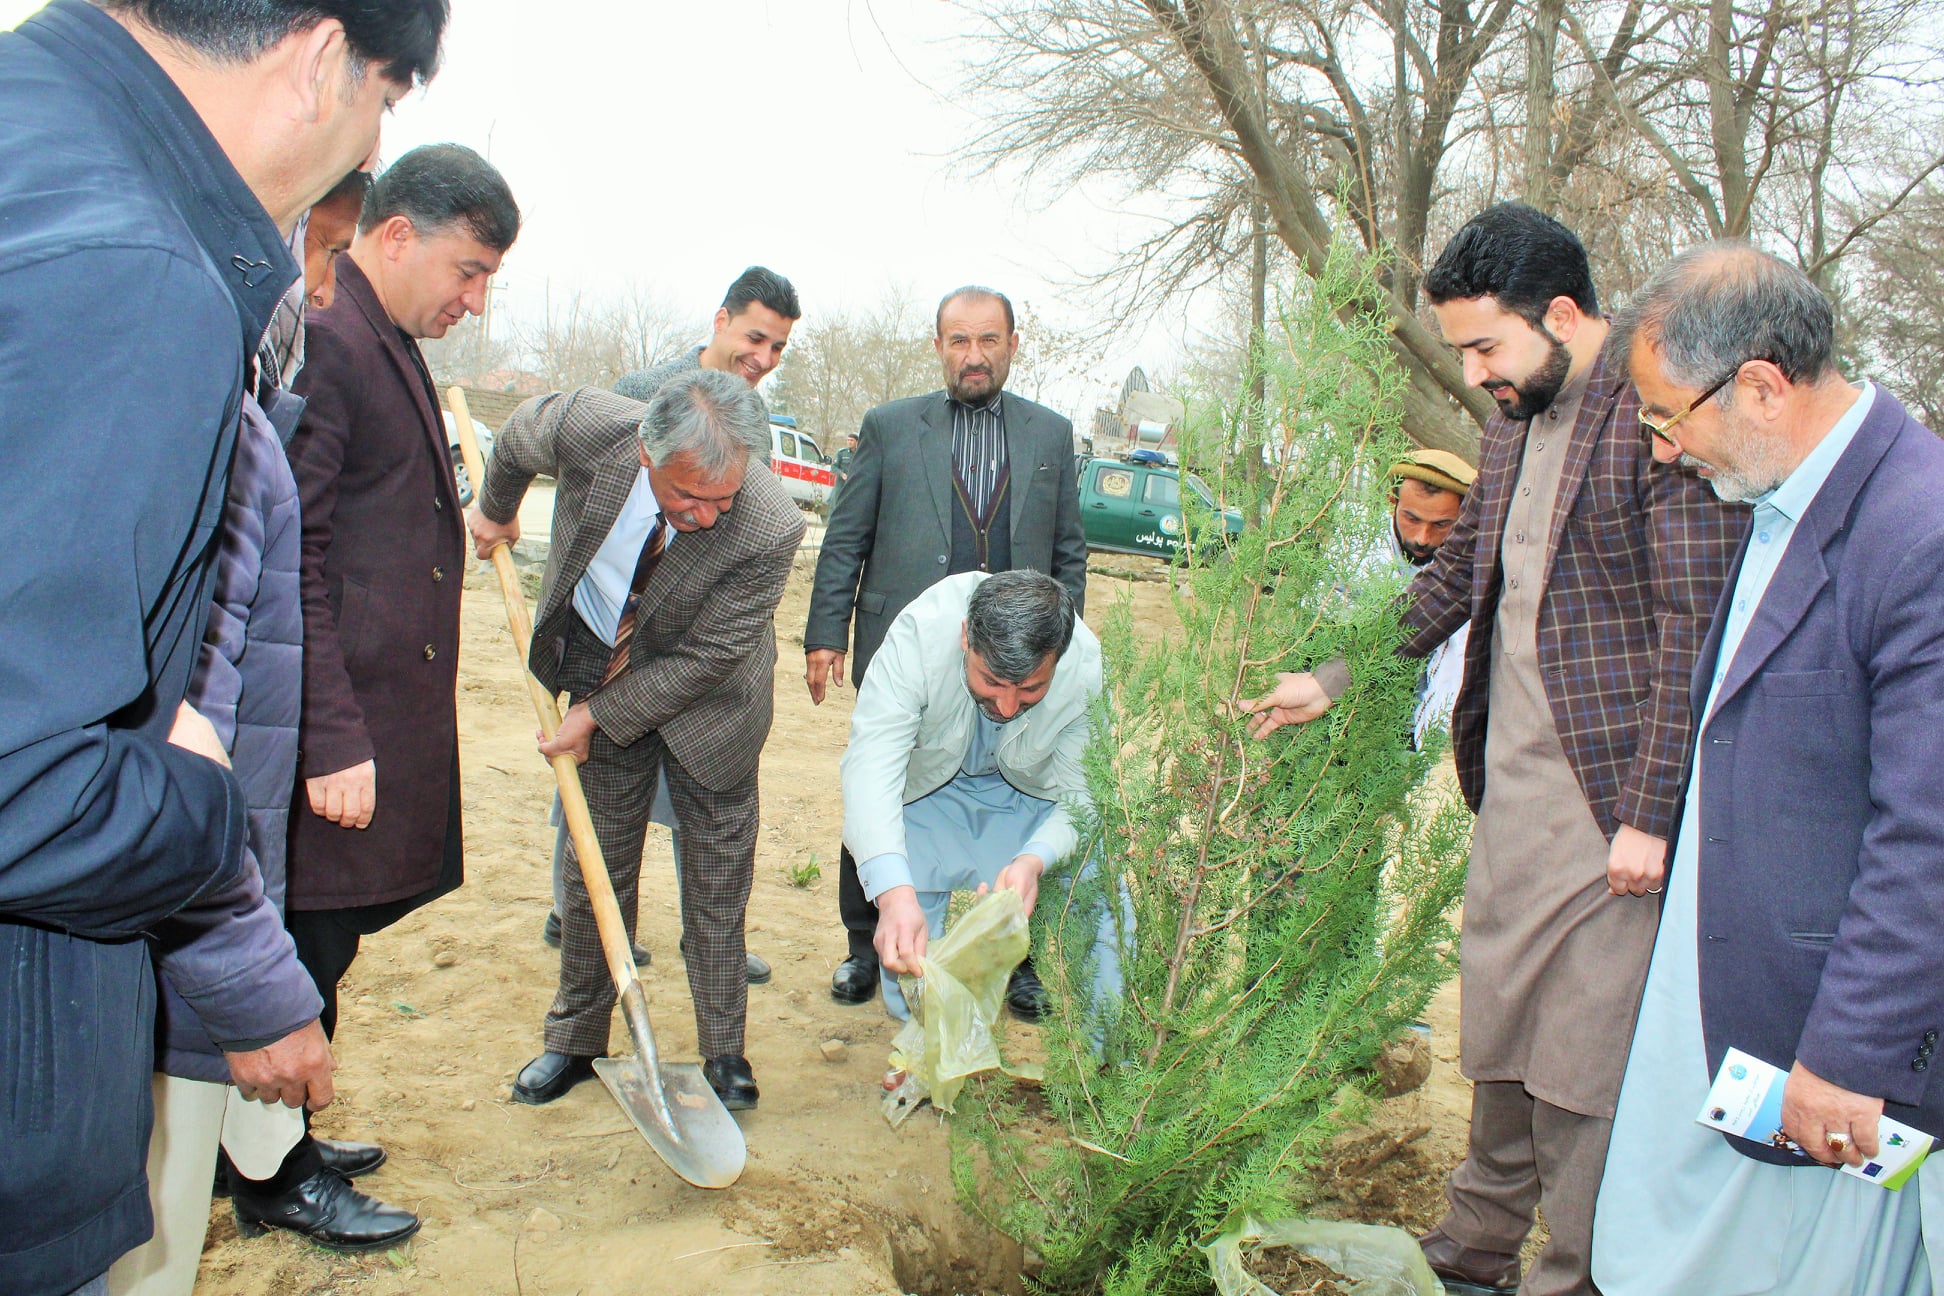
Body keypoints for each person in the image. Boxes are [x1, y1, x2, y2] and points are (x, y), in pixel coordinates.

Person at [0, 0, 442, 1290]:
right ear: (318, 58)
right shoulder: (126, 266)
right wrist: (193, 799)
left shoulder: (34, 146)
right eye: (384, 101)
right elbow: (30, 775)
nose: (367, 139)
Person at [1245, 204, 1743, 1296]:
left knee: (1580, 1059)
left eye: (1485, 346)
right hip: (1510, 796)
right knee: (1503, 1025)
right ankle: (1475, 1249)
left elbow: (1690, 637)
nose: (1473, 374)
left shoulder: (1659, 425)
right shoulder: (1519, 418)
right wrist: (1330, 680)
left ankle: (1576, 1270)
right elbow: (1451, 576)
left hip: (1613, 807)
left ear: (1563, 314)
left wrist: (1652, 814)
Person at [1591, 246, 1944, 1294]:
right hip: (1724, 1007)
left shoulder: (1916, 529)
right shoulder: (1776, 495)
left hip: (1822, 1047)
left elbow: (1927, 831)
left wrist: (1849, 1053)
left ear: (1760, 384)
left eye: (1666, 419)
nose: (1662, 451)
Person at [246, 143, 517, 1245]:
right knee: (301, 942)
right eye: (468, 268)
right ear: (396, 234)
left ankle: (277, 1137)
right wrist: (328, 737)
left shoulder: (382, 332)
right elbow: (287, 560)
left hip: (374, 716)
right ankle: (271, 1174)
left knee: (329, 936)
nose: (475, 298)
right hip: (334, 722)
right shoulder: (335, 338)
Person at [470, 370, 803, 1112]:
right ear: (648, 457)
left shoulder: (770, 523)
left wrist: (594, 716)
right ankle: (576, 1039)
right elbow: (521, 434)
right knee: (598, 863)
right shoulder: (592, 427)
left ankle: (725, 1054)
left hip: (712, 704)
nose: (709, 516)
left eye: (723, 499)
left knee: (717, 884)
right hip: (600, 654)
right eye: (689, 497)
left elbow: (709, 658)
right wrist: (495, 511)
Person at [805, 285, 1090, 1014]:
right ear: (937, 347)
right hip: (911, 649)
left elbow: (1067, 553)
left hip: (1015, 657)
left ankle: (1015, 958)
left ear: (1012, 346)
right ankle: (863, 942)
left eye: (988, 340)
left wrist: (1055, 656)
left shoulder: (1050, 434)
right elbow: (847, 535)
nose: (973, 355)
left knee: (1019, 791)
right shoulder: (892, 427)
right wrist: (825, 633)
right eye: (958, 341)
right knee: (882, 780)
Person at [530, 267, 803, 986]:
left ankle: (706, 937)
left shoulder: (754, 430)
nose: (763, 358)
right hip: (616, 637)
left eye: (778, 348)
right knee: (593, 779)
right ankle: (576, 909)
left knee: (703, 795)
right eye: (755, 337)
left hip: (697, 650)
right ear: (719, 321)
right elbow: (587, 503)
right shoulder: (639, 397)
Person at [843, 570, 1118, 1025]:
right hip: (929, 793)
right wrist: (893, 896)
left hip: (1030, 797)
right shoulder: (917, 637)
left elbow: (1083, 795)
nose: (1008, 707)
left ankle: (1110, 1068)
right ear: (966, 637)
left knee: (1105, 889)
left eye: (1031, 689)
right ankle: (918, 1058)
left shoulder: (1084, 664)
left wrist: (1034, 860)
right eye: (991, 682)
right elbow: (870, 770)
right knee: (911, 948)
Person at [1385, 449, 1476, 749]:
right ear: (1392, 501)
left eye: (1441, 525)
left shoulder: (1477, 573)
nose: (1423, 538)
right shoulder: (1350, 558)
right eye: (1412, 518)